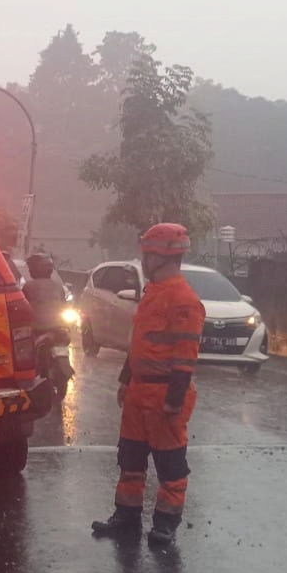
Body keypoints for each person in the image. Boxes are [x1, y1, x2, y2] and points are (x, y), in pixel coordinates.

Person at [91, 223, 206, 547]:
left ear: (162, 256)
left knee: (170, 464)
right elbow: (138, 345)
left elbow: (186, 357)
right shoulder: (153, 292)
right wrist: (125, 381)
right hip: (140, 391)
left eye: (147, 254)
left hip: (163, 393)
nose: (143, 260)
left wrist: (174, 400)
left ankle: (166, 524)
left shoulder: (184, 300)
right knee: (130, 458)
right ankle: (126, 517)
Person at [22, 253, 68, 330]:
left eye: (31, 268)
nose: (29, 270)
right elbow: (64, 306)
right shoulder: (58, 287)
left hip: (37, 329)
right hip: (57, 328)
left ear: (36, 268)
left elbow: (22, 309)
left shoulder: (28, 286)